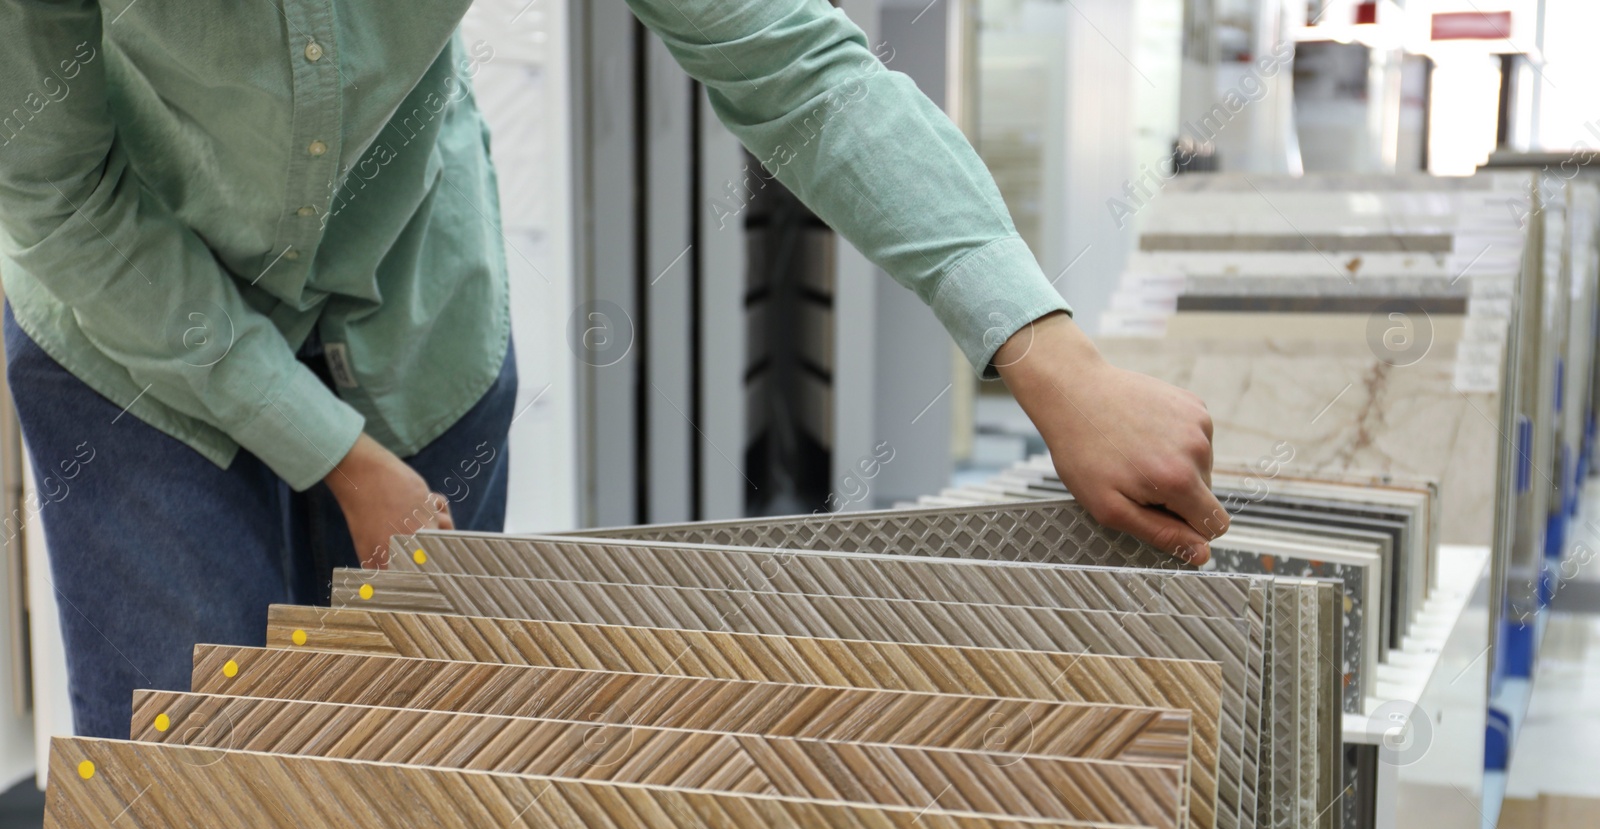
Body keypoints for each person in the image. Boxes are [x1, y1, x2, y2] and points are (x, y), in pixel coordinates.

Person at [0, 0, 1225, 740]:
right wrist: (331, 452)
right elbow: (56, 197)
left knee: (408, 782)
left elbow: (797, 65)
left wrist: (1044, 348)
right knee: (191, 814)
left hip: (408, 318)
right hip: (130, 347)